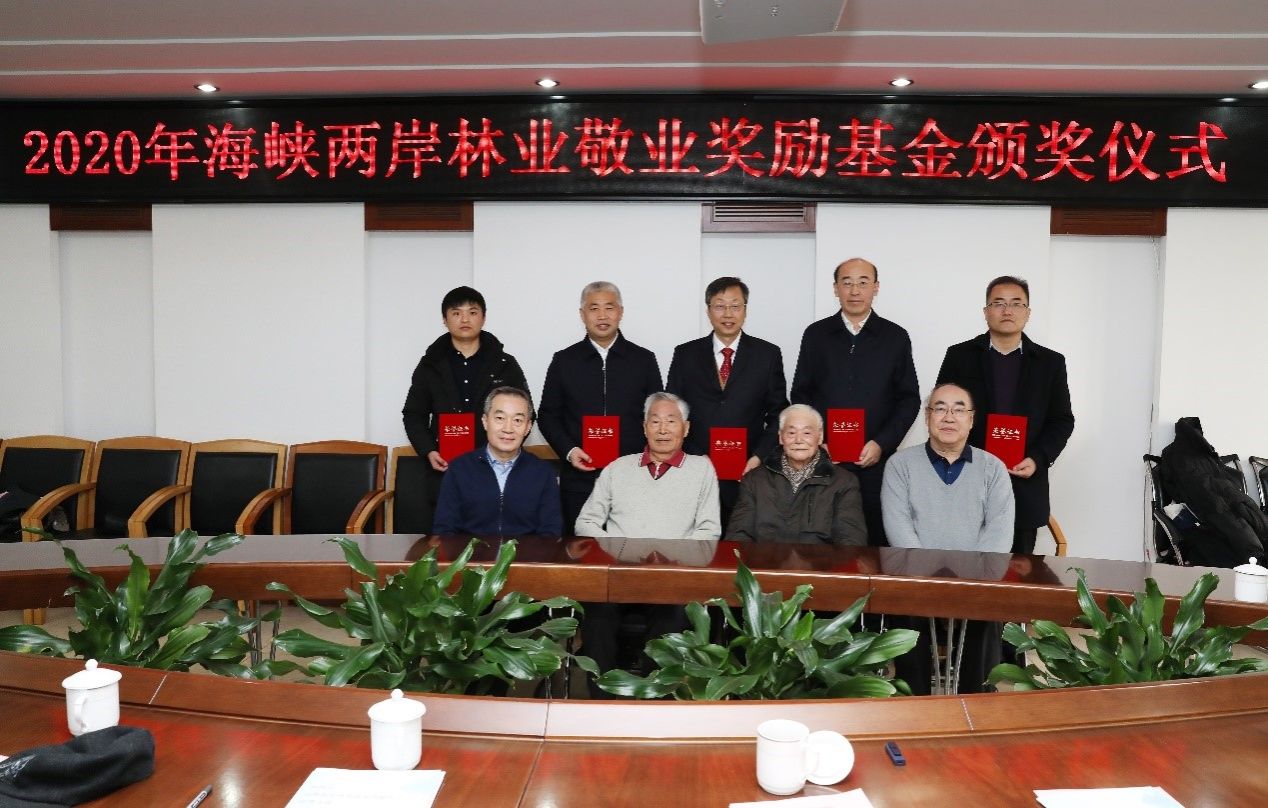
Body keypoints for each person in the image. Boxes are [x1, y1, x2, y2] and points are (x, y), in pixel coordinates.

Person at [574, 392, 720, 687]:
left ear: (686, 428)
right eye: (655, 421)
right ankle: (602, 698)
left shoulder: (702, 469)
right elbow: (585, 523)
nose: (663, 429)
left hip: (673, 578)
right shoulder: (617, 467)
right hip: (618, 575)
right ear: (644, 427)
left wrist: (670, 558)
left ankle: (656, 697)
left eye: (671, 421)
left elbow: (709, 532)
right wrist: (624, 552)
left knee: (675, 616)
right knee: (597, 615)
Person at [881, 382, 1015, 695]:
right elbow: (899, 529)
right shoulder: (900, 465)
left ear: (971, 419)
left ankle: (975, 703)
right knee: (907, 607)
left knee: (986, 609)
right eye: (940, 408)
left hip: (975, 580)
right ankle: (914, 703)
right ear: (927, 417)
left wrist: (969, 583)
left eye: (958, 409)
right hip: (916, 578)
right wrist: (931, 582)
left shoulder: (993, 468)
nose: (949, 417)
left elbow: (999, 531)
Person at [936, 275, 1074, 554]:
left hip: (1024, 483)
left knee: (1019, 570)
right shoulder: (960, 356)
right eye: (998, 303)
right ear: (986, 311)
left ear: (1028, 312)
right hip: (967, 479)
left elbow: (1062, 420)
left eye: (1016, 303)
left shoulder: (1050, 363)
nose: (1007, 310)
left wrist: (1037, 459)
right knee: (963, 567)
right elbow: (941, 412)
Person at [790, 257, 920, 546]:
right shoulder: (816, 334)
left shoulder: (895, 337)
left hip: (875, 463)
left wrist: (881, 443)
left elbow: (909, 399)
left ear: (876, 287)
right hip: (823, 460)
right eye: (847, 283)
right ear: (835, 288)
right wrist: (817, 440)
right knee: (820, 539)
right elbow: (800, 394)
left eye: (863, 283)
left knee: (874, 542)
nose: (855, 290)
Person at [538, 281, 663, 534]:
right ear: (582, 314)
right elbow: (548, 415)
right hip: (579, 480)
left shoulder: (643, 359)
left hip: (634, 477)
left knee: (632, 550)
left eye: (609, 307)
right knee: (580, 550)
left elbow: (657, 415)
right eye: (594, 308)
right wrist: (570, 451)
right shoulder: (564, 360)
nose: (602, 316)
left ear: (621, 312)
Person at [401, 286, 528, 532]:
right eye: (456, 313)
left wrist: (504, 450)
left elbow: (526, 412)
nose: (465, 319)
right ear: (445, 320)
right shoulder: (430, 364)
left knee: (494, 542)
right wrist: (428, 451)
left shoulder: (504, 363)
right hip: (445, 470)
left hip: (495, 470)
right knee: (446, 544)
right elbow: (413, 414)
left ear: (484, 317)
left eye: (472, 312)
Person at [667, 276, 787, 533]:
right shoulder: (685, 354)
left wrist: (759, 456)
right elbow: (673, 412)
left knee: (741, 542)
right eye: (720, 306)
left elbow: (779, 413)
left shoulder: (767, 354)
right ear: (708, 310)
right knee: (697, 542)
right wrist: (695, 455)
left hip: (749, 471)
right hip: (696, 468)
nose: (728, 314)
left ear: (745, 310)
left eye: (735, 306)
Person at [727, 404, 867, 546]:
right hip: (765, 559)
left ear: (820, 437)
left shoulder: (844, 482)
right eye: (791, 433)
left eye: (807, 433)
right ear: (781, 437)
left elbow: (851, 540)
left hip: (821, 560)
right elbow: (739, 535)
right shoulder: (754, 479)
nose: (798, 440)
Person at [432, 386, 562, 537]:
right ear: (485, 421)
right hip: (471, 551)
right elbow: (444, 529)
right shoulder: (459, 469)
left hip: (525, 552)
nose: (508, 428)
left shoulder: (543, 473)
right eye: (500, 418)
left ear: (528, 427)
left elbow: (550, 532)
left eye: (517, 420)